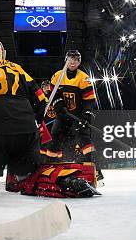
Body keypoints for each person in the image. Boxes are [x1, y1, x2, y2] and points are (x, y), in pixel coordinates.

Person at [0, 38, 98, 200]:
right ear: (2, 54)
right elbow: (41, 101)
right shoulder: (17, 68)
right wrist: (36, 123)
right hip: (25, 135)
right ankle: (58, 181)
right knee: (27, 174)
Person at [41, 50, 104, 181]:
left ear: (79, 62)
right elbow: (53, 95)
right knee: (54, 140)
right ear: (66, 60)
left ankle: (96, 172)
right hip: (63, 116)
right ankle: (50, 169)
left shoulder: (83, 78)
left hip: (78, 116)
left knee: (85, 141)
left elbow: (89, 101)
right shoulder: (57, 76)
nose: (73, 62)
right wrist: (59, 105)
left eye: (76, 59)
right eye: (70, 59)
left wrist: (86, 116)